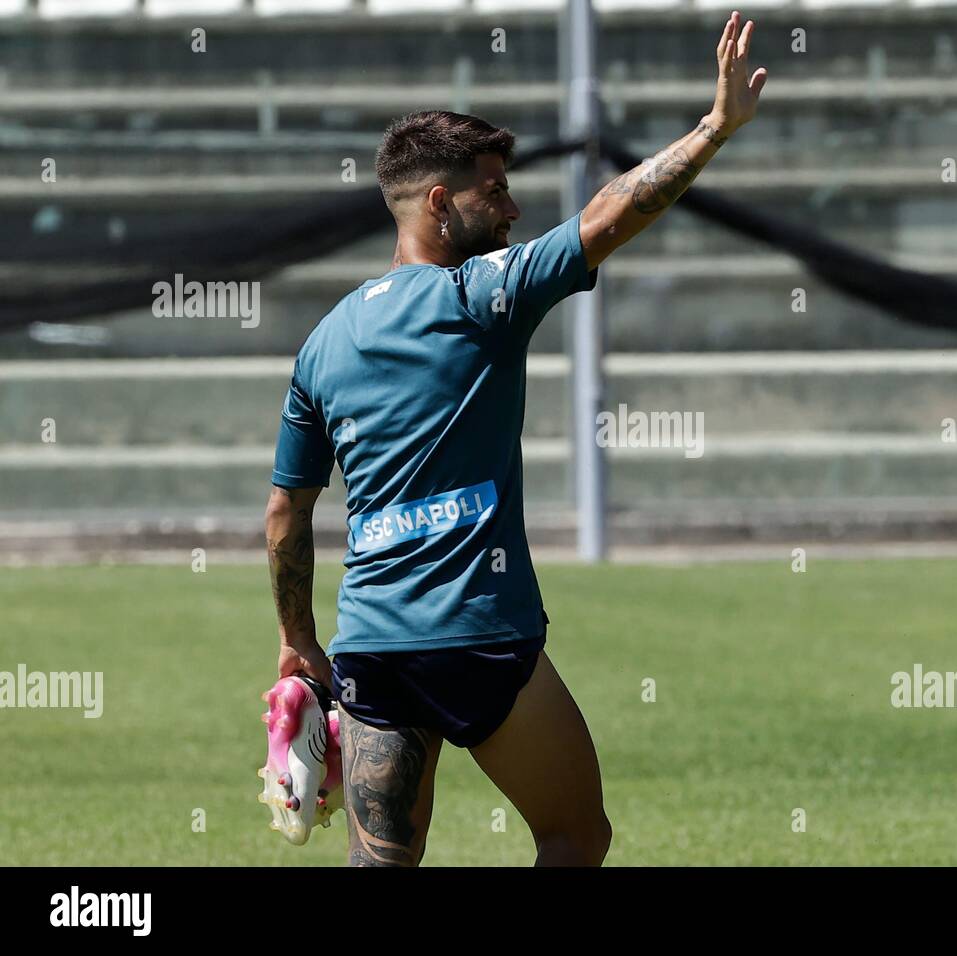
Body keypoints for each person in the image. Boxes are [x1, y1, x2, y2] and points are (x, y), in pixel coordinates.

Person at [264, 10, 767, 866]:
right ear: (436, 202)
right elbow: (610, 213)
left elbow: (285, 514)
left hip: (374, 647)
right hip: (479, 635)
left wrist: (296, 639)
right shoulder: (479, 295)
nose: (512, 206)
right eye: (493, 190)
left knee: (383, 860)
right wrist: (715, 128)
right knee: (576, 835)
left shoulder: (324, 340)